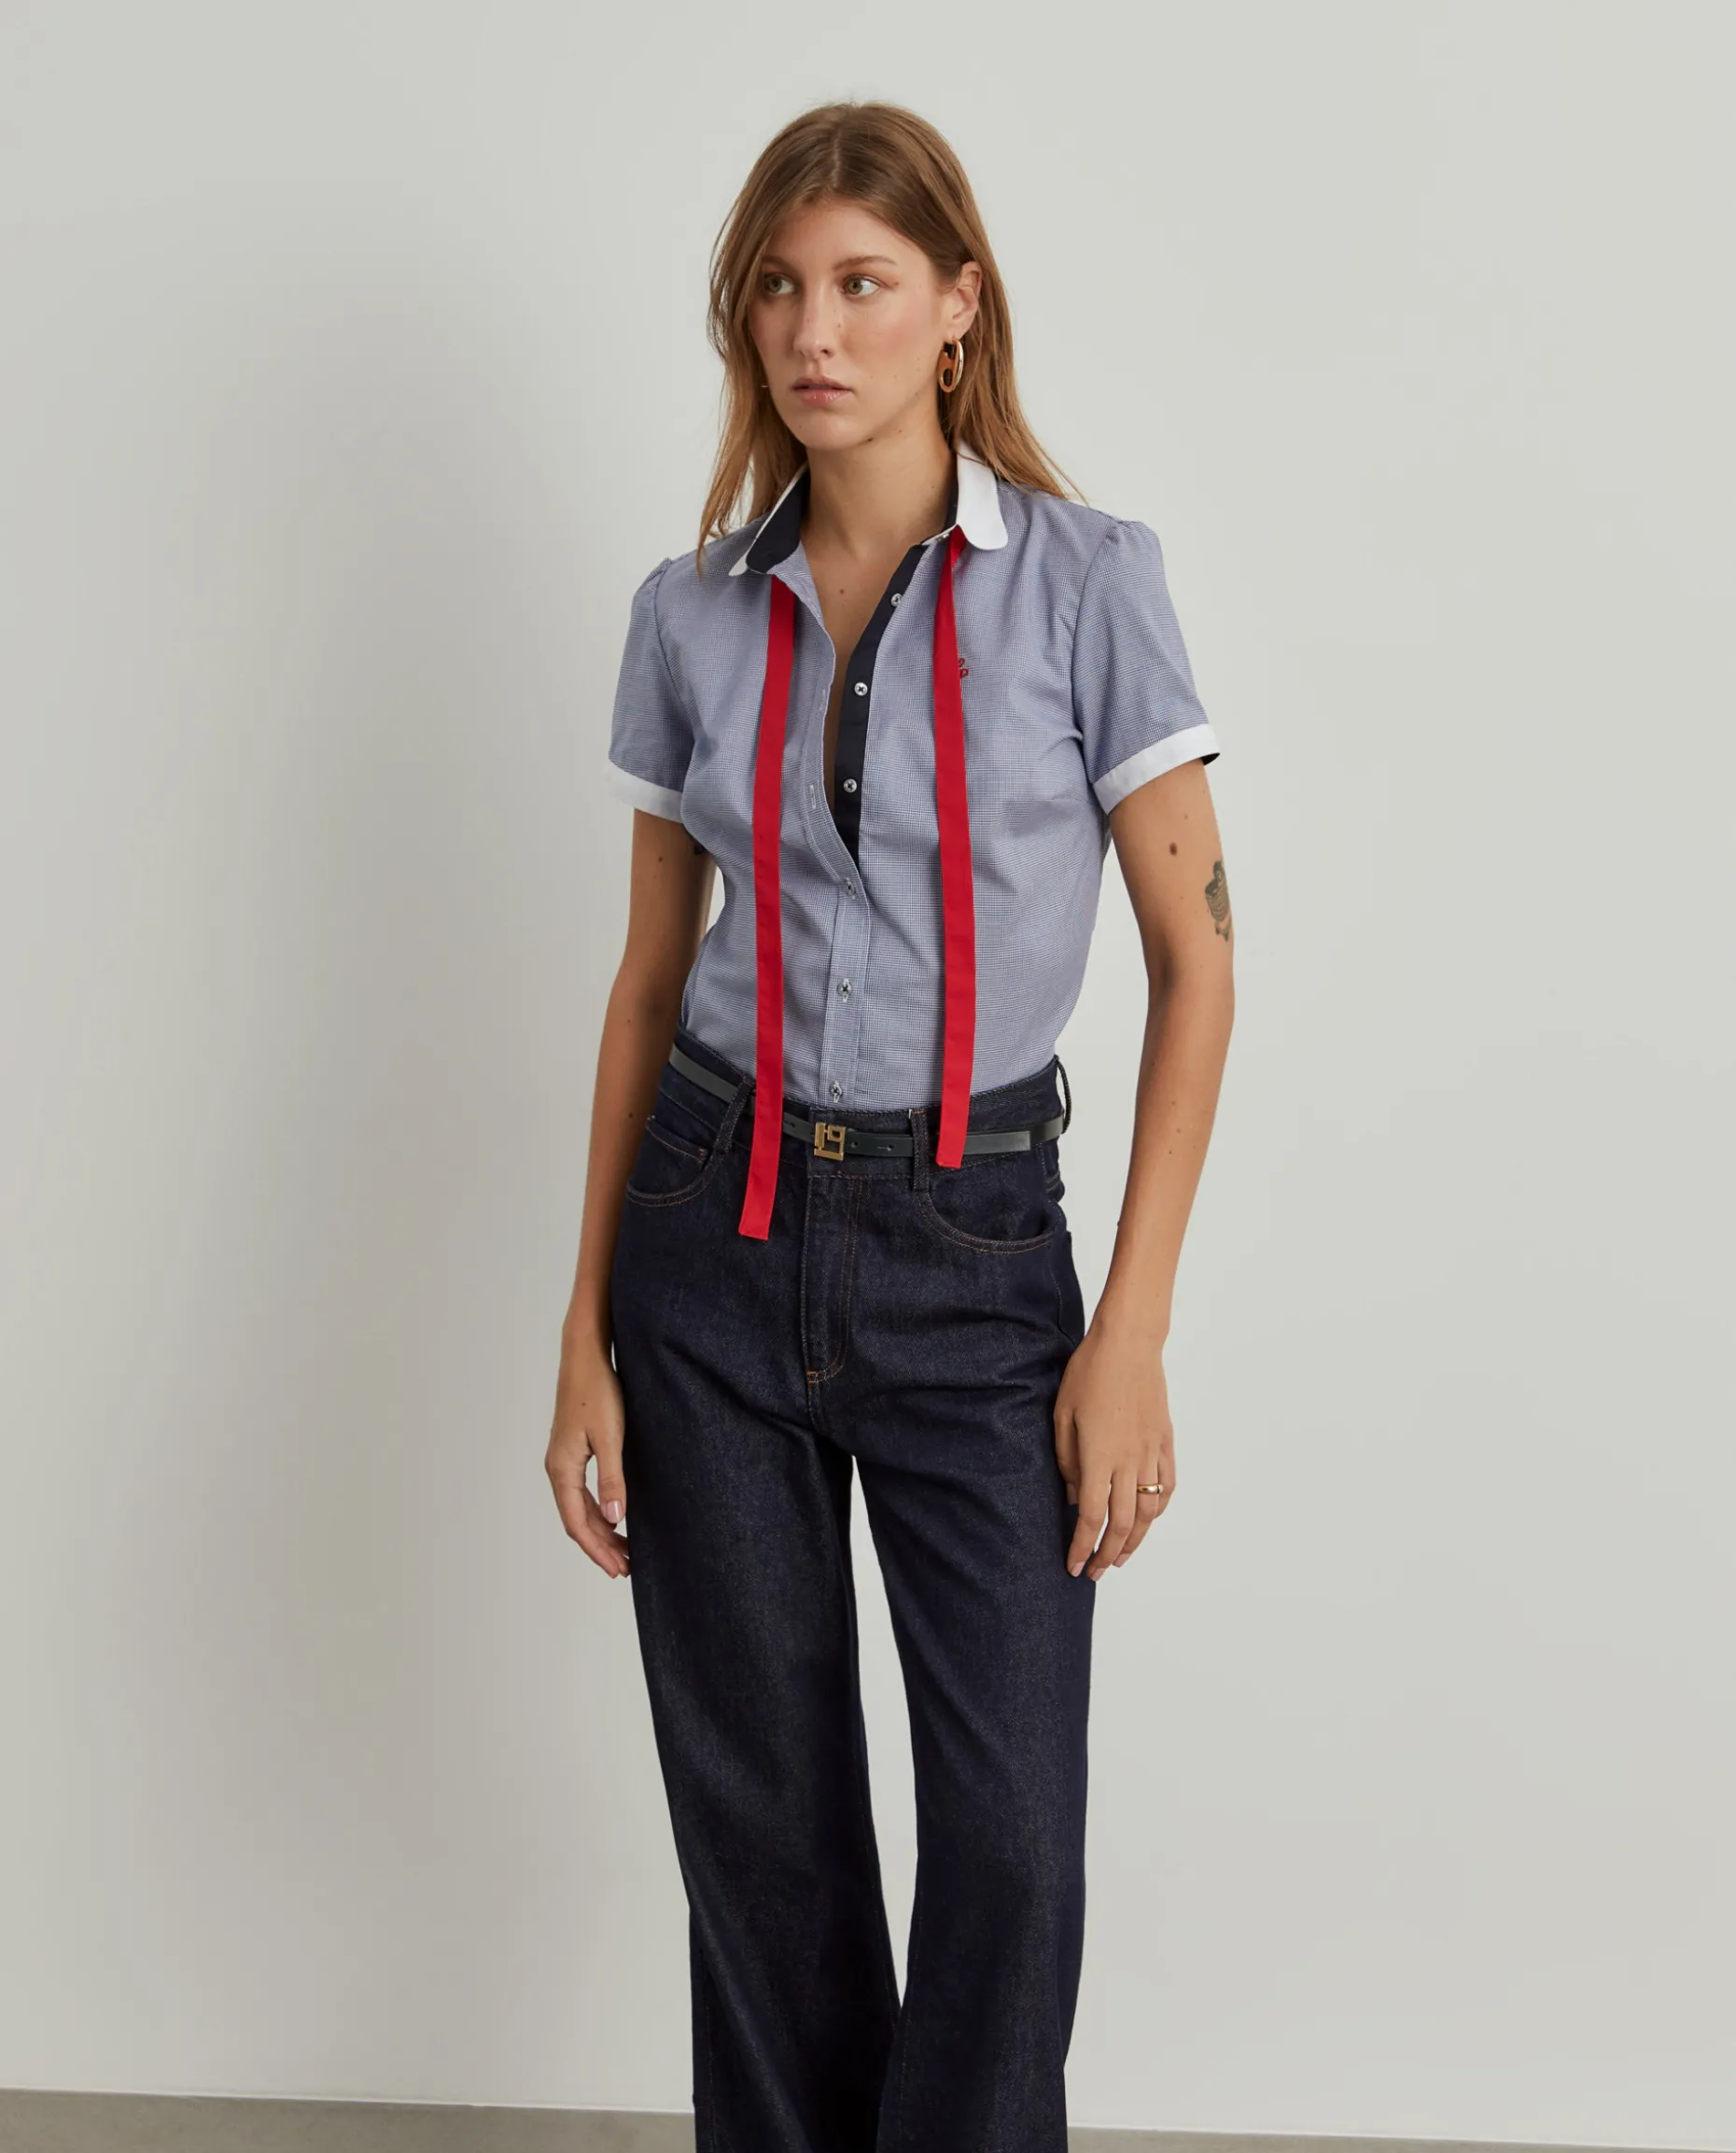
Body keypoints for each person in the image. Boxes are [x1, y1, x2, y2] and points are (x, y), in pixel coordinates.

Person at [547, 98, 1234, 2153]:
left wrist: (1131, 1329)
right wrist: (581, 1329)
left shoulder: (1089, 585)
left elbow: (1201, 969)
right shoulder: (689, 611)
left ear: (957, 307)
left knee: (1012, 1840)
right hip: (709, 1235)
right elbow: (647, 984)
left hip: (978, 1252)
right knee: (759, 1834)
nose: (812, 329)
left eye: (861, 282)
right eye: (777, 287)